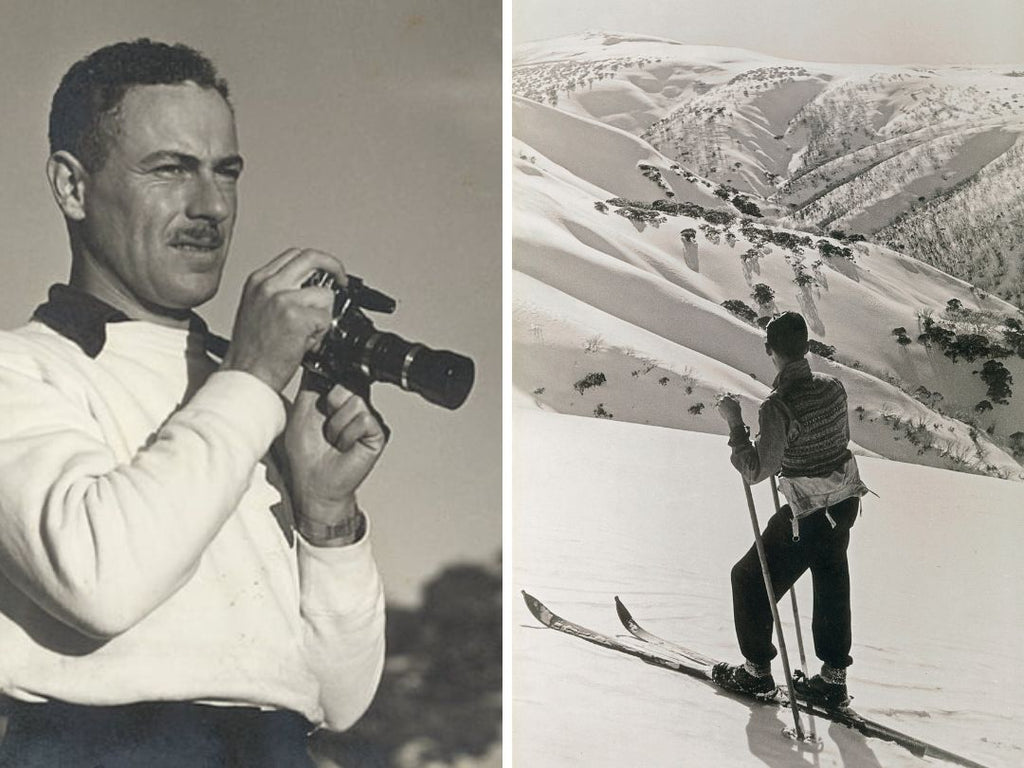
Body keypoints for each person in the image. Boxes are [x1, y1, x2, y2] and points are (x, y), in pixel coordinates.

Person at [0, 39, 388, 766]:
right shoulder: (21, 370)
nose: (209, 206)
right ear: (72, 187)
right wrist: (248, 378)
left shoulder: (240, 389)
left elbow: (340, 699)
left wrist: (328, 520)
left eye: (225, 172)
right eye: (170, 169)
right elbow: (100, 582)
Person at [713, 312, 870, 709]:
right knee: (831, 578)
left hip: (809, 514)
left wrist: (735, 426)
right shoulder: (834, 388)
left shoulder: (777, 407)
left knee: (749, 579)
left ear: (771, 352)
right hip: (846, 500)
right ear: (806, 347)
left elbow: (755, 471)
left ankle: (756, 674)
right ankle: (833, 679)